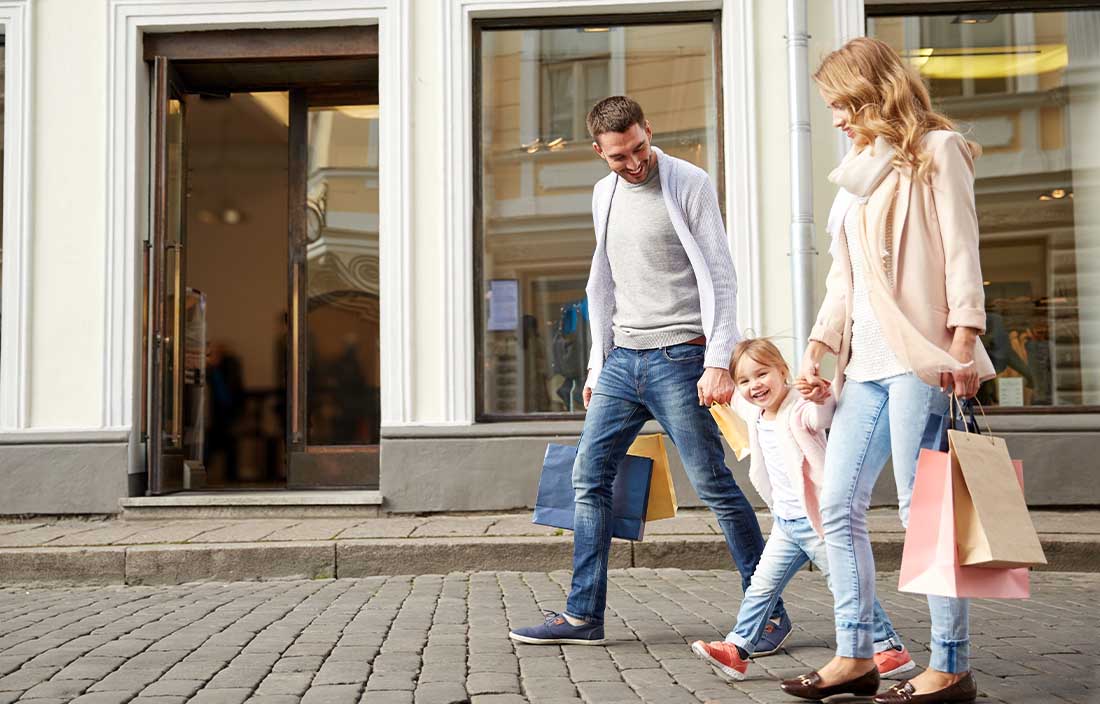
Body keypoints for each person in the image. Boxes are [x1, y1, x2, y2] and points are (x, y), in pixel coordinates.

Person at [509, 96, 789, 651]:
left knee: (713, 485)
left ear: (648, 131)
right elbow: (603, 281)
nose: (633, 163)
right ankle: (583, 614)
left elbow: (721, 276)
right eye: (618, 156)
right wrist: (597, 362)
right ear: (598, 151)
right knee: (588, 479)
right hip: (622, 360)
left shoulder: (688, 182)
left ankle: (768, 615)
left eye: (638, 148)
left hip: (681, 358)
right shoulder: (603, 192)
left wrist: (717, 362)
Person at [780, 38, 995, 704]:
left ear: (876, 93)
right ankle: (855, 655)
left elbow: (962, 253)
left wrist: (963, 342)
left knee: (921, 509)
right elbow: (845, 275)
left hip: (917, 359)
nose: (838, 119)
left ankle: (951, 664)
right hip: (863, 364)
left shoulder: (938, 150)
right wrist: (818, 344)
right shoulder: (859, 169)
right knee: (835, 506)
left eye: (843, 105)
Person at [690, 338, 914, 682]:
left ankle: (889, 648)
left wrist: (820, 394)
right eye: (745, 381)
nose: (755, 386)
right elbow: (732, 401)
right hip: (785, 523)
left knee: (845, 583)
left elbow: (820, 415)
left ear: (783, 372)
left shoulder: (798, 407)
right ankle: (737, 650)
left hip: (818, 520)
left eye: (762, 374)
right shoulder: (758, 414)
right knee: (761, 587)